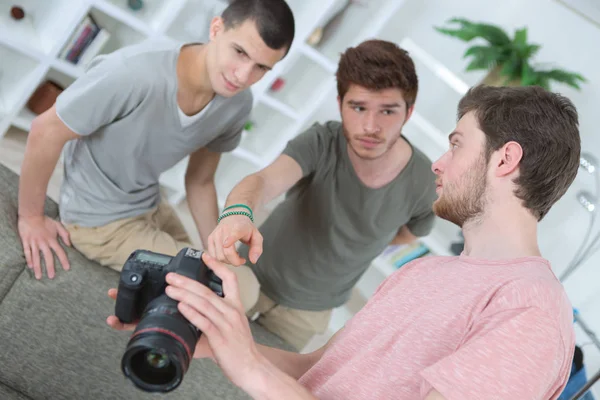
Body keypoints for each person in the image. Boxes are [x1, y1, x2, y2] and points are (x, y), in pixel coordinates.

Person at [108, 83, 581, 399]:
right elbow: (321, 371)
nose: (438, 162)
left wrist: (250, 366)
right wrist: (209, 337)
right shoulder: (425, 271)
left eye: (457, 145)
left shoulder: (531, 312)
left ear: (505, 160)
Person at [16, 0, 294, 298]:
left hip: (150, 204)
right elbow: (45, 131)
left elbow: (199, 181)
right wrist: (31, 218)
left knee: (227, 278)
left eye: (261, 68)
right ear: (216, 29)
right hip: (98, 221)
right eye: (239, 52)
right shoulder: (135, 73)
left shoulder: (237, 104)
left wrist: (219, 247)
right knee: (243, 290)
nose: (243, 76)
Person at [206, 39, 439, 350]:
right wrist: (238, 212)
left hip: (309, 312)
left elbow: (405, 235)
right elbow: (263, 182)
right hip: (252, 274)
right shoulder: (323, 140)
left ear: (408, 112)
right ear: (340, 102)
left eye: (387, 111)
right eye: (358, 107)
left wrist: (358, 239)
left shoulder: (426, 182)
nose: (370, 126)